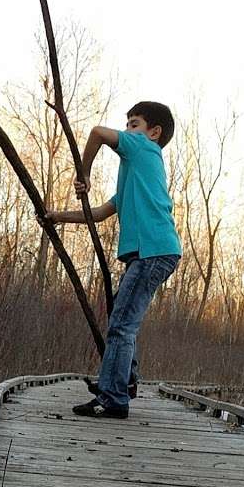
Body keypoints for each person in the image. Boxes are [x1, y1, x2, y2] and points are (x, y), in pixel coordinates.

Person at [43, 101, 181, 419]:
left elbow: (97, 134)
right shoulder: (136, 176)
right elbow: (101, 213)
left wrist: (85, 173)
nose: (128, 130)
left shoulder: (145, 149)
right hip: (152, 253)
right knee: (123, 320)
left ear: (153, 132)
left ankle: (114, 397)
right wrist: (57, 217)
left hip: (153, 251)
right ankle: (124, 382)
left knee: (120, 325)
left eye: (134, 124)